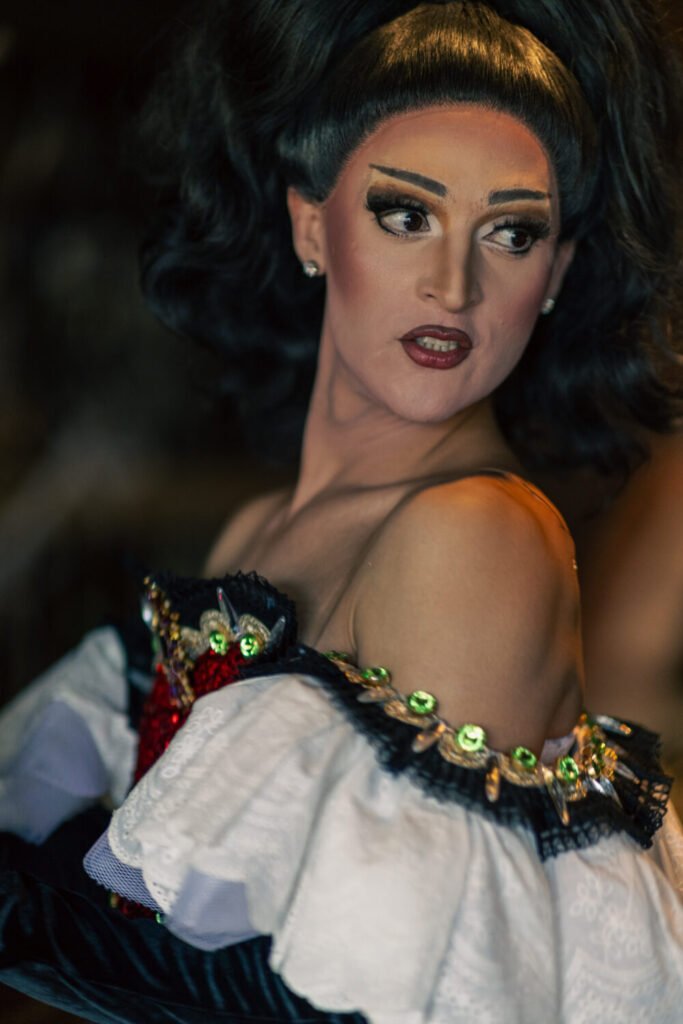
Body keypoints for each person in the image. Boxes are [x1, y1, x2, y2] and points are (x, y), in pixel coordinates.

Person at [1, 2, 682, 1022]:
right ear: (310, 224)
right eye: (405, 214)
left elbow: (398, 996)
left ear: (556, 274)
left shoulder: (476, 536)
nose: (452, 286)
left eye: (511, 232)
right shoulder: (257, 531)